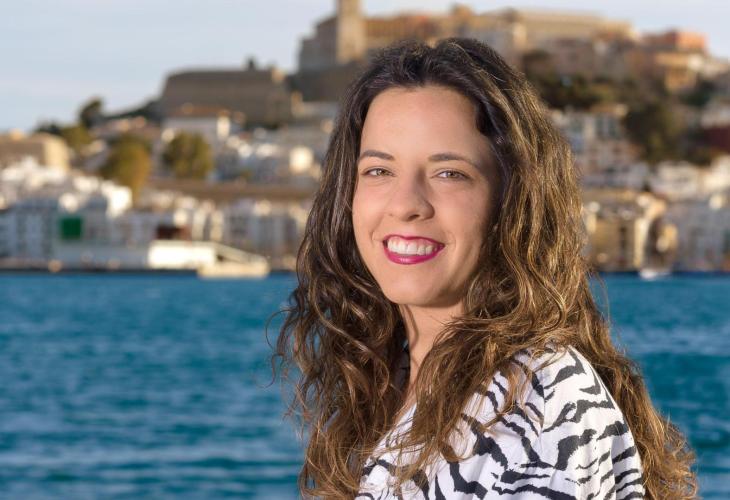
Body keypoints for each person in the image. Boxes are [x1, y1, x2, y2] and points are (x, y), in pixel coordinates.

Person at [273, 38, 697, 499]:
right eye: (379, 171)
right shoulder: (401, 381)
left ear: (511, 201)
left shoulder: (537, 402)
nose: (405, 204)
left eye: (449, 173)